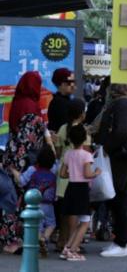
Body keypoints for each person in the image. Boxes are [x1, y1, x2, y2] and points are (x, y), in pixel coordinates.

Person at [1, 71, 53, 254]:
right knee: (16, 202)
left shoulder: (18, 102)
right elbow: (26, 139)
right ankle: (12, 240)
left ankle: (10, 238)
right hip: (21, 161)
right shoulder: (31, 107)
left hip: (11, 157)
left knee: (8, 200)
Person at [95, 84, 127, 257]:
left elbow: (121, 130)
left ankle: (122, 242)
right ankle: (120, 241)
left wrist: (107, 147)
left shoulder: (123, 104)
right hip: (125, 159)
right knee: (119, 199)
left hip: (121, 160)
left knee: (119, 199)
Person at [58, 124, 100, 262]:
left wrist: (72, 172)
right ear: (84, 139)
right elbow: (87, 174)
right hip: (82, 189)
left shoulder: (68, 154)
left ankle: (67, 248)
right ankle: (73, 250)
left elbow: (63, 174)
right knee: (85, 221)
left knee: (79, 222)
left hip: (70, 188)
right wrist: (96, 173)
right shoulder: (87, 155)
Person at [54, 98, 88, 252]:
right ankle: (72, 243)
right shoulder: (83, 131)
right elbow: (86, 153)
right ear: (82, 114)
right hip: (77, 176)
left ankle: (62, 240)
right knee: (75, 212)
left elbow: (59, 152)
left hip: (64, 172)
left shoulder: (62, 128)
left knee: (64, 210)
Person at [13, 146, 57, 257]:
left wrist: (14, 171)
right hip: (49, 204)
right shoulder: (54, 169)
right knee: (51, 224)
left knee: (36, 225)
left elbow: (22, 181)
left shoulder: (32, 169)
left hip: (34, 204)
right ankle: (45, 238)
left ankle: (40, 240)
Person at [48, 68, 76, 133]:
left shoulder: (63, 100)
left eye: (73, 82)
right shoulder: (60, 103)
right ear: (61, 84)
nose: (72, 85)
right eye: (69, 82)